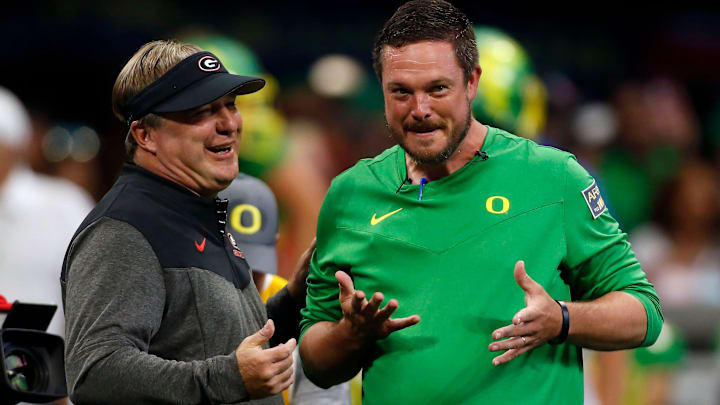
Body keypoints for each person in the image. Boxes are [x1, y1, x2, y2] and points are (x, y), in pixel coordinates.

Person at [298, 1, 663, 404]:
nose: (419, 110)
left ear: (472, 83)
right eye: (401, 92)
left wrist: (561, 318)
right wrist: (349, 336)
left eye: (438, 89)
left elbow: (643, 314)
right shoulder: (349, 195)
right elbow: (315, 359)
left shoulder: (555, 178)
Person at [61, 40, 307, 404]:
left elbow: (210, 340)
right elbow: (95, 372)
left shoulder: (197, 210)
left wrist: (293, 301)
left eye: (229, 105)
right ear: (145, 134)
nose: (229, 124)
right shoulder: (123, 230)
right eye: (201, 111)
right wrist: (227, 378)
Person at [222, 173, 351, 405]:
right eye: (232, 260)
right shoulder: (189, 299)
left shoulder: (303, 305)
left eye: (255, 262)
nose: (245, 274)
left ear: (276, 243)